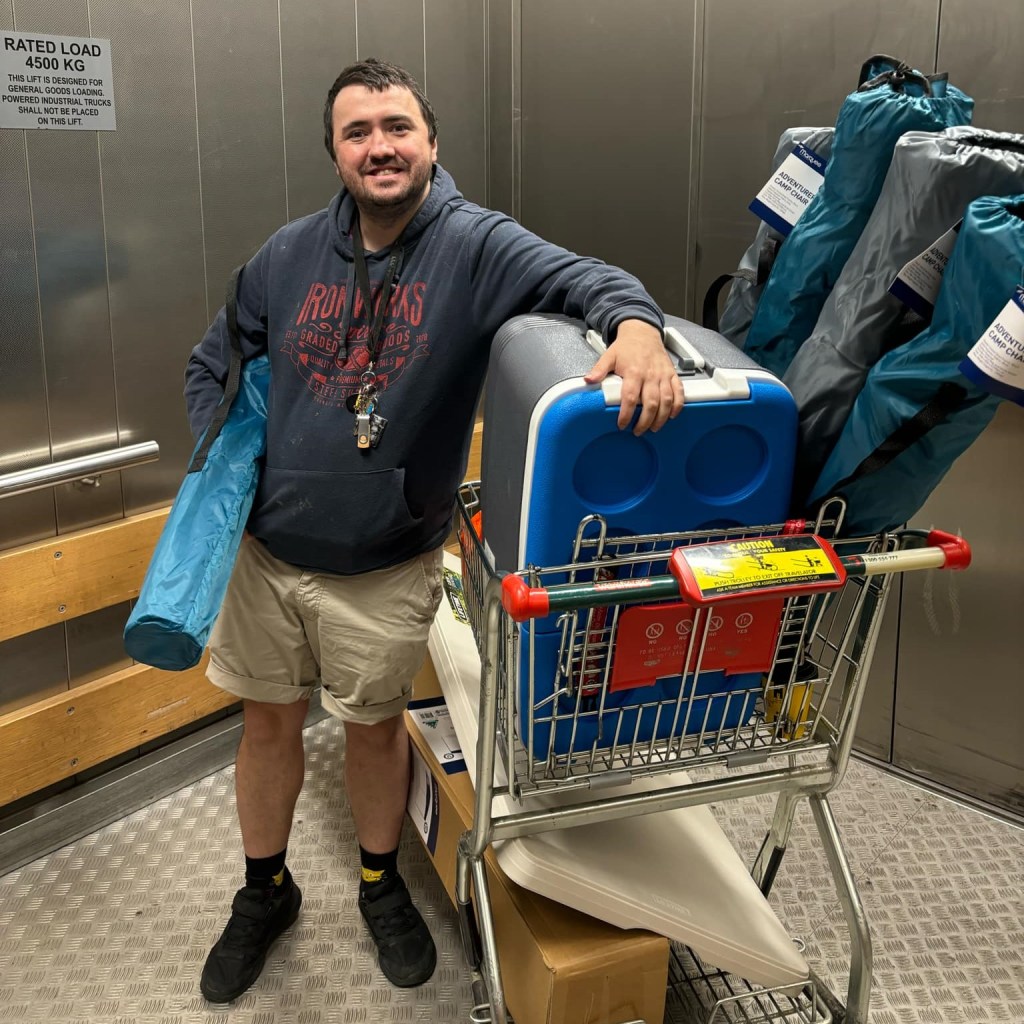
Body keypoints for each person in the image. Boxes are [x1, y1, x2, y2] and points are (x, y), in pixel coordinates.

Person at [185, 56, 682, 1004]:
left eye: (397, 127)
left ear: (431, 140)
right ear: (334, 152)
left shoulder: (475, 246)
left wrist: (639, 328)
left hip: (382, 560)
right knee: (267, 724)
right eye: (358, 132)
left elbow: (590, 279)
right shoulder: (286, 256)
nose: (380, 146)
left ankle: (381, 885)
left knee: (373, 731)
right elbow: (215, 358)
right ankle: (266, 891)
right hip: (265, 552)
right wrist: (223, 463)